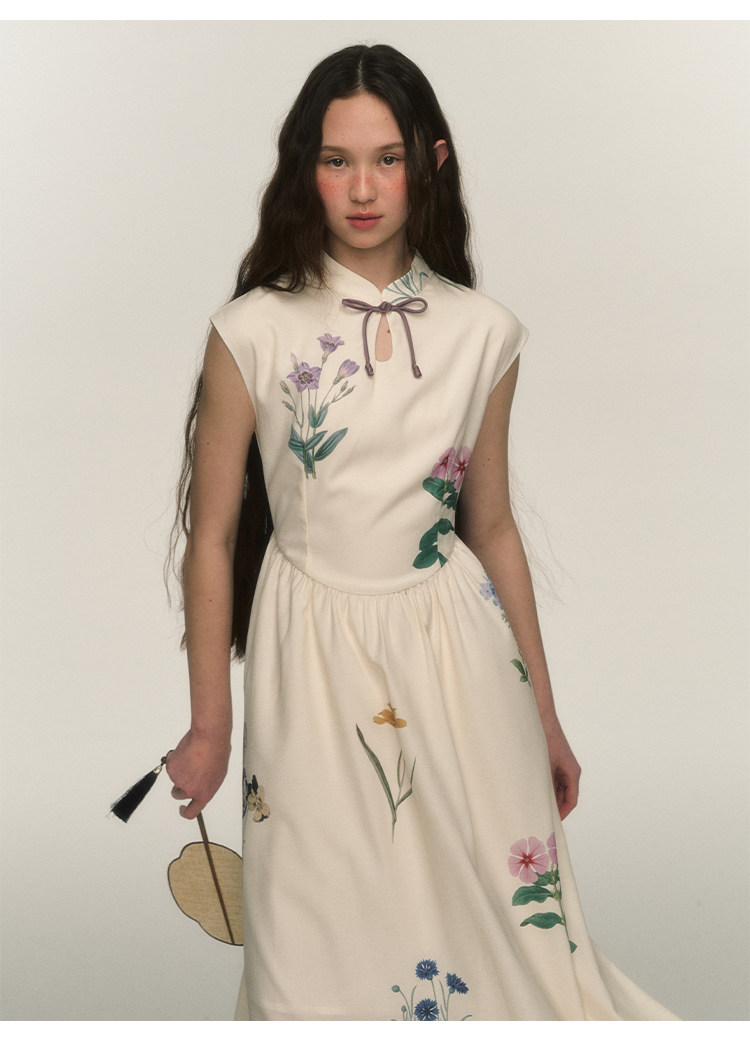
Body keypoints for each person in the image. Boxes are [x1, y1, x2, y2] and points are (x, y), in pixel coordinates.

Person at [165, 43, 678, 1021]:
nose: (362, 188)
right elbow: (214, 536)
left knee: (492, 926)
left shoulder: (484, 333)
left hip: (455, 655)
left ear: (430, 162)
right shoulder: (252, 332)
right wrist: (210, 725)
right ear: (304, 167)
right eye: (337, 160)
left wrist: (546, 716)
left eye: (387, 159)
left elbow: (493, 527)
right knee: (311, 931)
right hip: (310, 657)